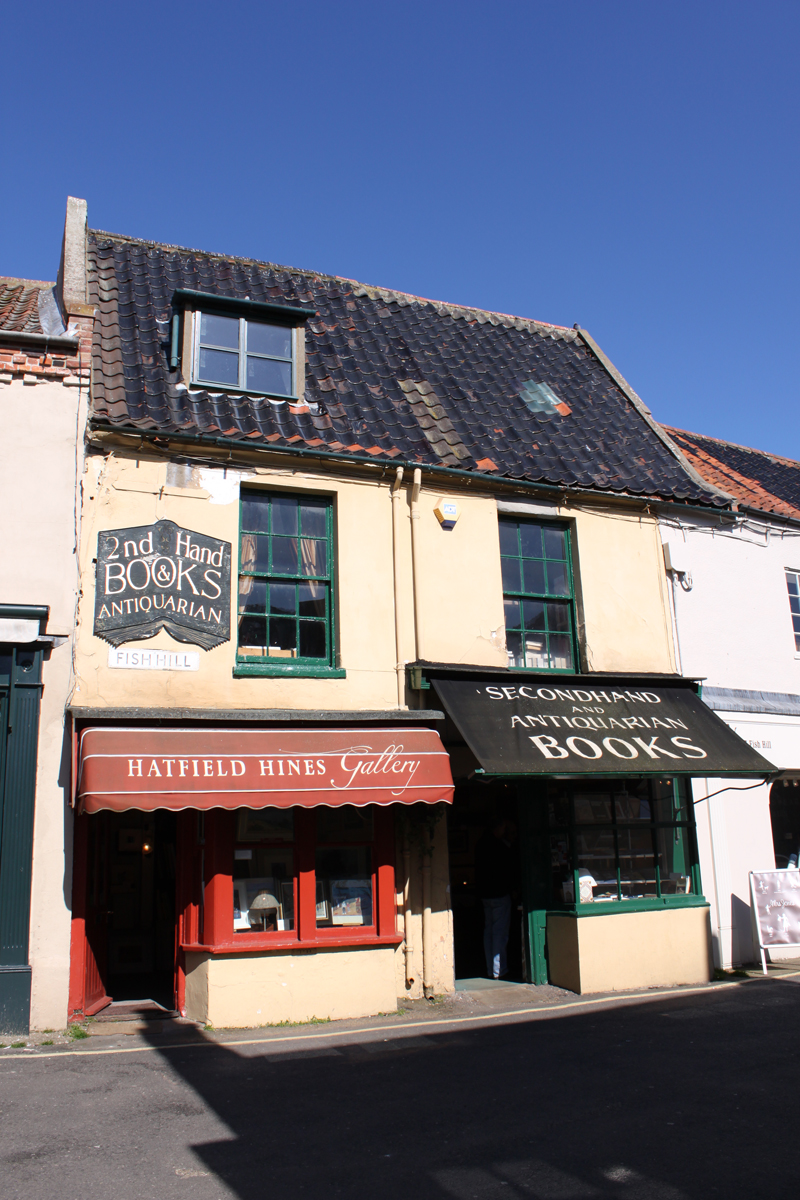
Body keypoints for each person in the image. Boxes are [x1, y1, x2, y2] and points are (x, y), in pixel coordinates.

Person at [475, 815, 517, 979]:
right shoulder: (500, 847)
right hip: (499, 894)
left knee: (489, 932)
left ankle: (490, 968)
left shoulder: (480, 844)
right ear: (498, 828)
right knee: (499, 933)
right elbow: (507, 871)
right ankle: (498, 970)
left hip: (485, 894)